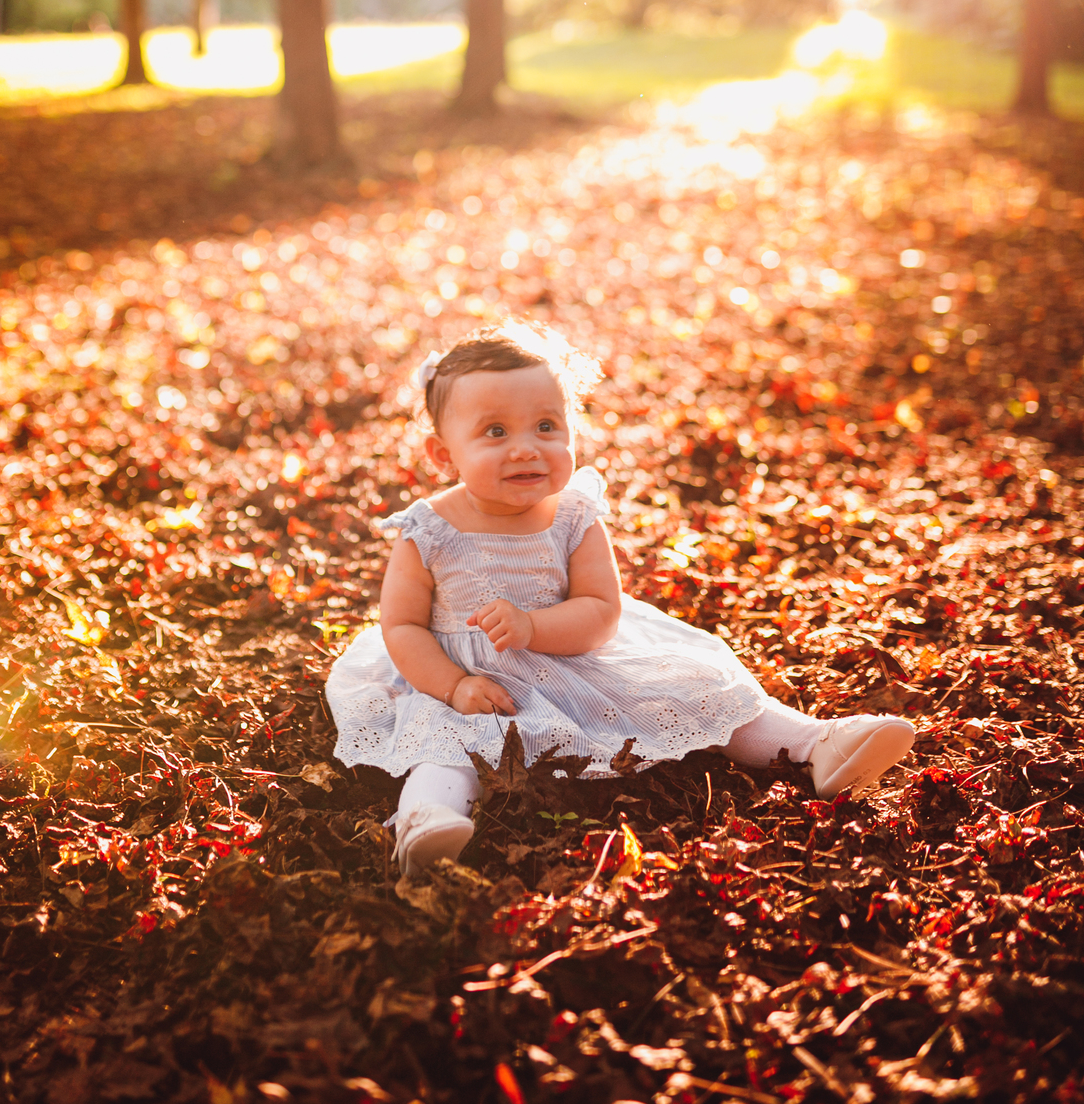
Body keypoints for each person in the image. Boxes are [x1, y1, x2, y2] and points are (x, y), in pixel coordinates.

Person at [326, 322, 914, 875]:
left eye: (547, 426)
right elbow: (402, 628)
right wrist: (454, 686)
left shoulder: (573, 515)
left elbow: (601, 612)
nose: (527, 448)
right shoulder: (428, 530)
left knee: (694, 689)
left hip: (575, 654)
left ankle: (816, 744)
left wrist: (532, 627)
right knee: (447, 737)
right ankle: (426, 819)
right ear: (441, 454)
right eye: (496, 432)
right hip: (462, 675)